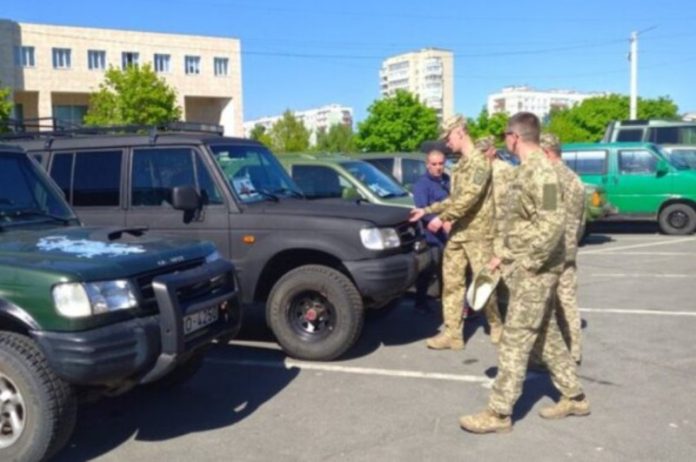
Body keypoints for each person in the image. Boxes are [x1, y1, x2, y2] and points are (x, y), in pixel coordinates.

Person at [459, 112, 589, 434]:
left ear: (514, 137)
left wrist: (530, 264)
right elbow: (519, 225)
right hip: (523, 265)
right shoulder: (526, 170)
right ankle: (574, 396)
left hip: (537, 270)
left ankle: (499, 413)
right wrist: (499, 258)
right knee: (546, 335)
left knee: (515, 339)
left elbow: (552, 225)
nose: (505, 141)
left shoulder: (543, 174)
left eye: (506, 135)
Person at [409, 115, 503, 350]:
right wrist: (427, 211)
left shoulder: (480, 163)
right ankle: (453, 334)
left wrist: (443, 217)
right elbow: (454, 199)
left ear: (460, 132)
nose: (446, 144)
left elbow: (470, 197)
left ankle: (496, 324)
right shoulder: (460, 165)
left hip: (478, 233)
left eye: (448, 137)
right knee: (451, 284)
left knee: (484, 284)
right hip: (458, 234)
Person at [540, 133, 585, 364]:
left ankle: (547, 354)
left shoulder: (551, 178)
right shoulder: (575, 179)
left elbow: (547, 214)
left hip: (553, 250)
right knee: (568, 301)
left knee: (545, 303)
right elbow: (582, 219)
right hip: (569, 249)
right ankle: (574, 349)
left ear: (547, 152)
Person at [412, 147, 451, 314]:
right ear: (427, 165)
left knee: (447, 271)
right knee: (429, 270)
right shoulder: (422, 184)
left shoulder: (447, 180)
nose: (438, 167)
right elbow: (421, 209)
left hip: (448, 234)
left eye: (441, 163)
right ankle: (421, 301)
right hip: (432, 236)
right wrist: (435, 220)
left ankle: (445, 303)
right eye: (434, 164)